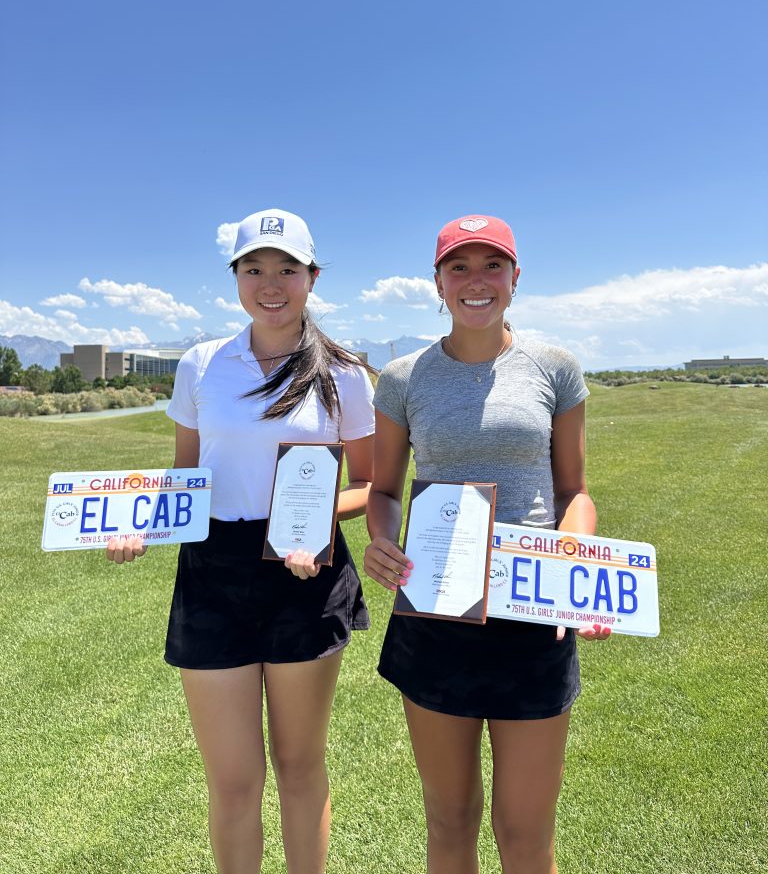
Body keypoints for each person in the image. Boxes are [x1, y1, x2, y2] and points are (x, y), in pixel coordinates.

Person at [107, 208, 375, 874]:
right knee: (231, 781)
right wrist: (146, 518)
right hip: (213, 574)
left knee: (298, 766)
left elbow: (372, 485)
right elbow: (187, 472)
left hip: (305, 575)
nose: (271, 283)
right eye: (254, 268)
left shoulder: (344, 374)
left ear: (312, 277)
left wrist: (313, 525)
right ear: (236, 277)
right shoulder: (203, 364)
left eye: (287, 269)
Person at [364, 214, 610, 874]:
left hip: (534, 617)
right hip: (436, 614)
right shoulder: (402, 377)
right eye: (459, 268)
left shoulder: (553, 369)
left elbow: (574, 492)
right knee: (449, 821)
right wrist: (382, 540)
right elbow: (384, 491)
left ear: (516, 278)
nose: (477, 281)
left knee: (526, 833)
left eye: (492, 265)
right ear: (437, 283)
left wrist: (576, 566)